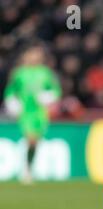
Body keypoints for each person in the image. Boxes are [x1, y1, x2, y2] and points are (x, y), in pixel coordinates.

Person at [3, 43, 62, 184]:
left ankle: (29, 167)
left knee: (35, 142)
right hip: (26, 112)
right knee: (31, 139)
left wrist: (48, 96)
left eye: (37, 54)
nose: (34, 56)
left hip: (40, 113)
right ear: (25, 56)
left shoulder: (45, 73)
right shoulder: (19, 73)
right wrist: (12, 102)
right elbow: (10, 91)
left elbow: (56, 90)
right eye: (32, 53)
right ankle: (27, 170)